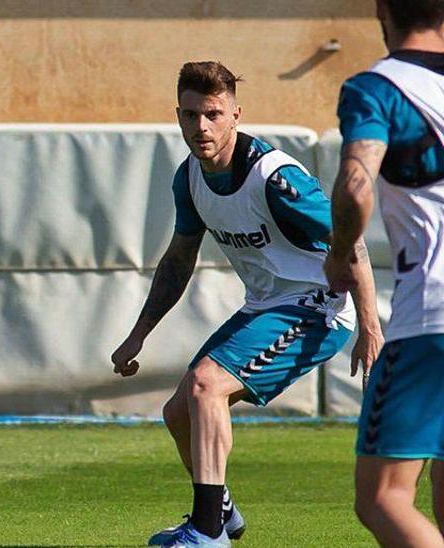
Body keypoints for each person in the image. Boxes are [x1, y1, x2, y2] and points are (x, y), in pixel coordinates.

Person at [112, 61, 382, 548]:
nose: (201, 127)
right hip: (265, 306)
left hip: (319, 306)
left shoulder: (275, 178)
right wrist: (138, 335)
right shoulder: (189, 178)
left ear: (236, 114)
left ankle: (207, 532)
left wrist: (370, 326)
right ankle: (224, 513)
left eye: (213, 114)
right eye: (191, 115)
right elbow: (177, 262)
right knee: (178, 414)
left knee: (205, 386)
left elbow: (351, 240)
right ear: (178, 115)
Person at [328, 1, 444, 545]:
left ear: (381, 8)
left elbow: (356, 187)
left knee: (382, 496)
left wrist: (339, 251)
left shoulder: (376, 88)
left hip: (431, 321)